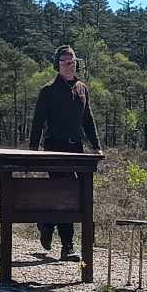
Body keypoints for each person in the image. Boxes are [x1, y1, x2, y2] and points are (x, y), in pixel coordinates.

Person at [28, 45, 100, 260]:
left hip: (75, 149)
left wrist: (96, 145)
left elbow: (88, 120)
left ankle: (47, 222)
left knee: (73, 193)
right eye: (65, 62)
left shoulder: (82, 88)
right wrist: (32, 150)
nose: (70, 65)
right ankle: (68, 246)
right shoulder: (48, 90)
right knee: (66, 193)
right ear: (57, 65)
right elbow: (38, 122)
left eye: (73, 61)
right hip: (54, 148)